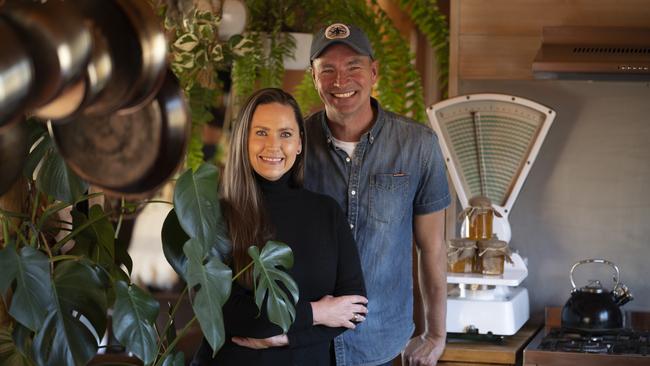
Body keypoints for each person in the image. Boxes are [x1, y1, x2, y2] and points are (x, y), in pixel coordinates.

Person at [303, 23, 451, 366]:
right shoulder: (294, 145)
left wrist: (436, 334)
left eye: (353, 66)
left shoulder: (418, 145)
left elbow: (432, 247)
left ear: (373, 72)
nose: (341, 81)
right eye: (328, 70)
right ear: (314, 77)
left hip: (381, 345)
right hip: (307, 344)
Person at [191, 88, 367, 366]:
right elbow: (226, 315)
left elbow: (354, 308)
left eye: (285, 134)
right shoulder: (215, 216)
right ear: (243, 140)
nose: (273, 145)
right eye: (261, 133)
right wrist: (317, 313)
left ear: (299, 143)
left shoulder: (326, 212)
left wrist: (284, 338)